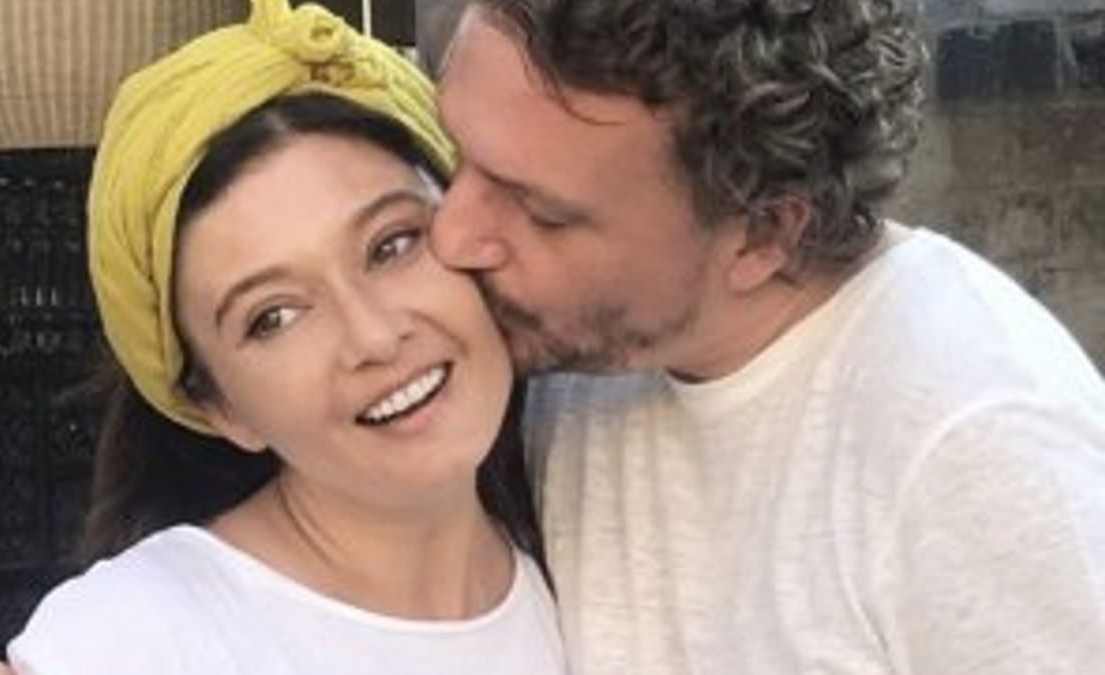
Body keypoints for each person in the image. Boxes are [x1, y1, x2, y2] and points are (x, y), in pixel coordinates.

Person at [427, 0, 1105, 674]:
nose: (450, 236)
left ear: (762, 235)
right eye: (454, 153)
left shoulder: (978, 447)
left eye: (540, 213)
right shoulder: (546, 346)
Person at [0, 2, 566, 673]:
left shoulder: (578, 557)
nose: (374, 336)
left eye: (392, 245)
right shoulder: (134, 637)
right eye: (274, 316)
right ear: (219, 406)